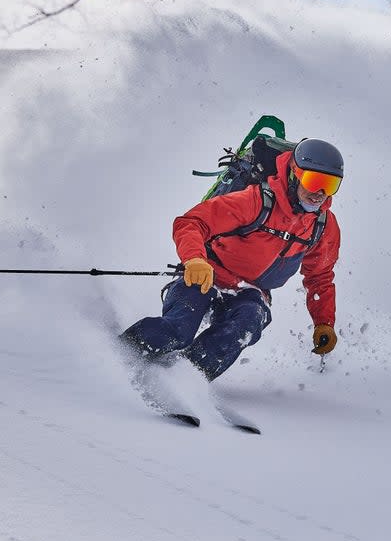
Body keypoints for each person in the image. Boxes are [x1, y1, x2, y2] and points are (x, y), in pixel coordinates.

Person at [120, 138, 343, 380]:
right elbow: (192, 223)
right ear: (294, 175)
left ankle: (182, 381)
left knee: (246, 324)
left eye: (330, 185)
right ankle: (120, 354)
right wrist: (195, 260)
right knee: (179, 329)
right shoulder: (255, 201)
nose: (320, 193)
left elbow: (319, 276)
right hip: (208, 275)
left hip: (251, 292)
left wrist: (324, 322)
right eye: (314, 181)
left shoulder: (323, 226)